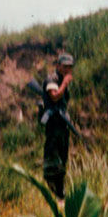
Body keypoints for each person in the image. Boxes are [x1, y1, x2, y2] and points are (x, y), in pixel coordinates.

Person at [41, 52, 74, 202]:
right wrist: (65, 83)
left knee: (62, 159)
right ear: (58, 66)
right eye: (65, 66)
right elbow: (54, 96)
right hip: (53, 125)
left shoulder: (60, 80)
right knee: (53, 159)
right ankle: (52, 192)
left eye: (70, 67)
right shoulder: (52, 79)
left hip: (62, 125)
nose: (68, 70)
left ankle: (60, 193)